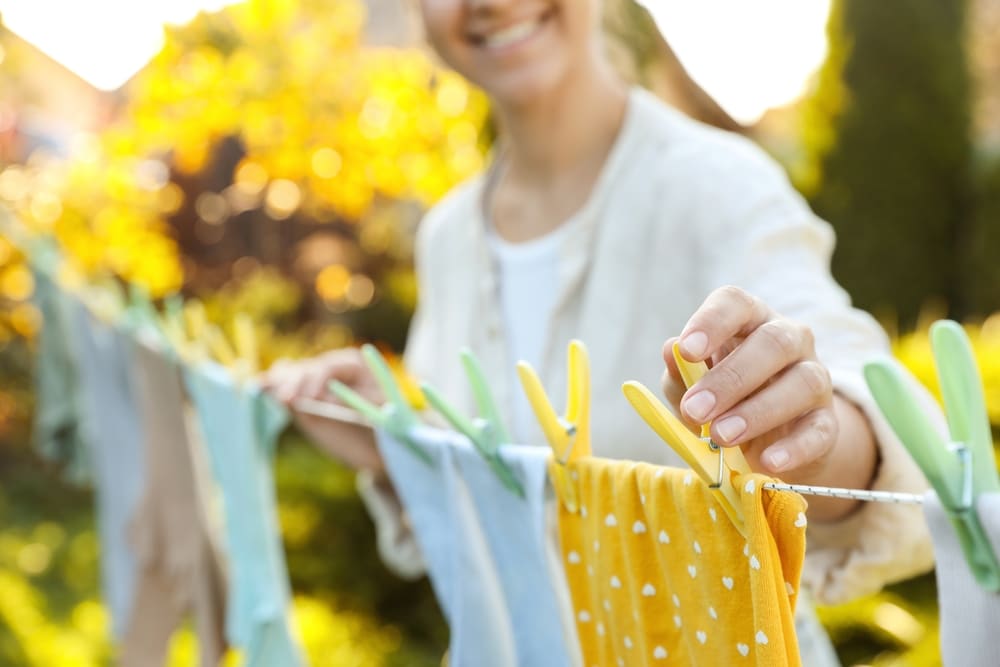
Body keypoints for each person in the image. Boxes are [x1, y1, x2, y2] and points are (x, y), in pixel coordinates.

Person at [263, 1, 939, 663]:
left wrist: (812, 432)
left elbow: (867, 407)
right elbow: (493, 517)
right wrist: (394, 442)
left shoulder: (716, 183)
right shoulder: (447, 235)